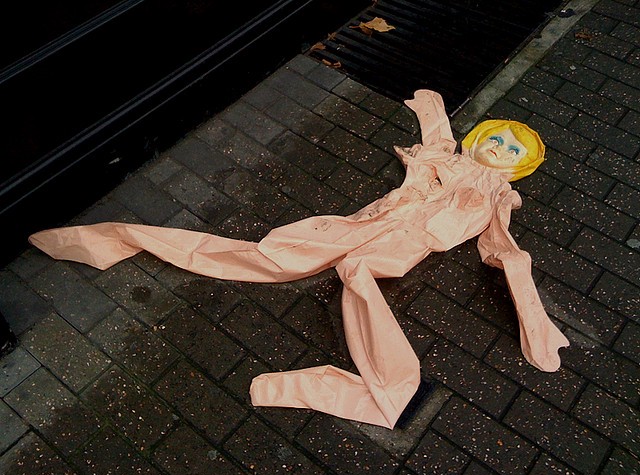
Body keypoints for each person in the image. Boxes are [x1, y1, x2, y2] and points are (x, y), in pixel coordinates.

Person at [28, 90, 569, 429]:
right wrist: (430, 106)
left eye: (512, 152)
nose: (500, 150)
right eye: (497, 139)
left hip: (392, 251)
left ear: (518, 169)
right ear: (480, 138)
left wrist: (536, 322)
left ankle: (381, 390)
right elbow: (439, 135)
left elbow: (506, 252)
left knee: (359, 276)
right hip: (359, 224)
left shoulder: (497, 199)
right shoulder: (444, 156)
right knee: (270, 257)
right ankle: (119, 238)